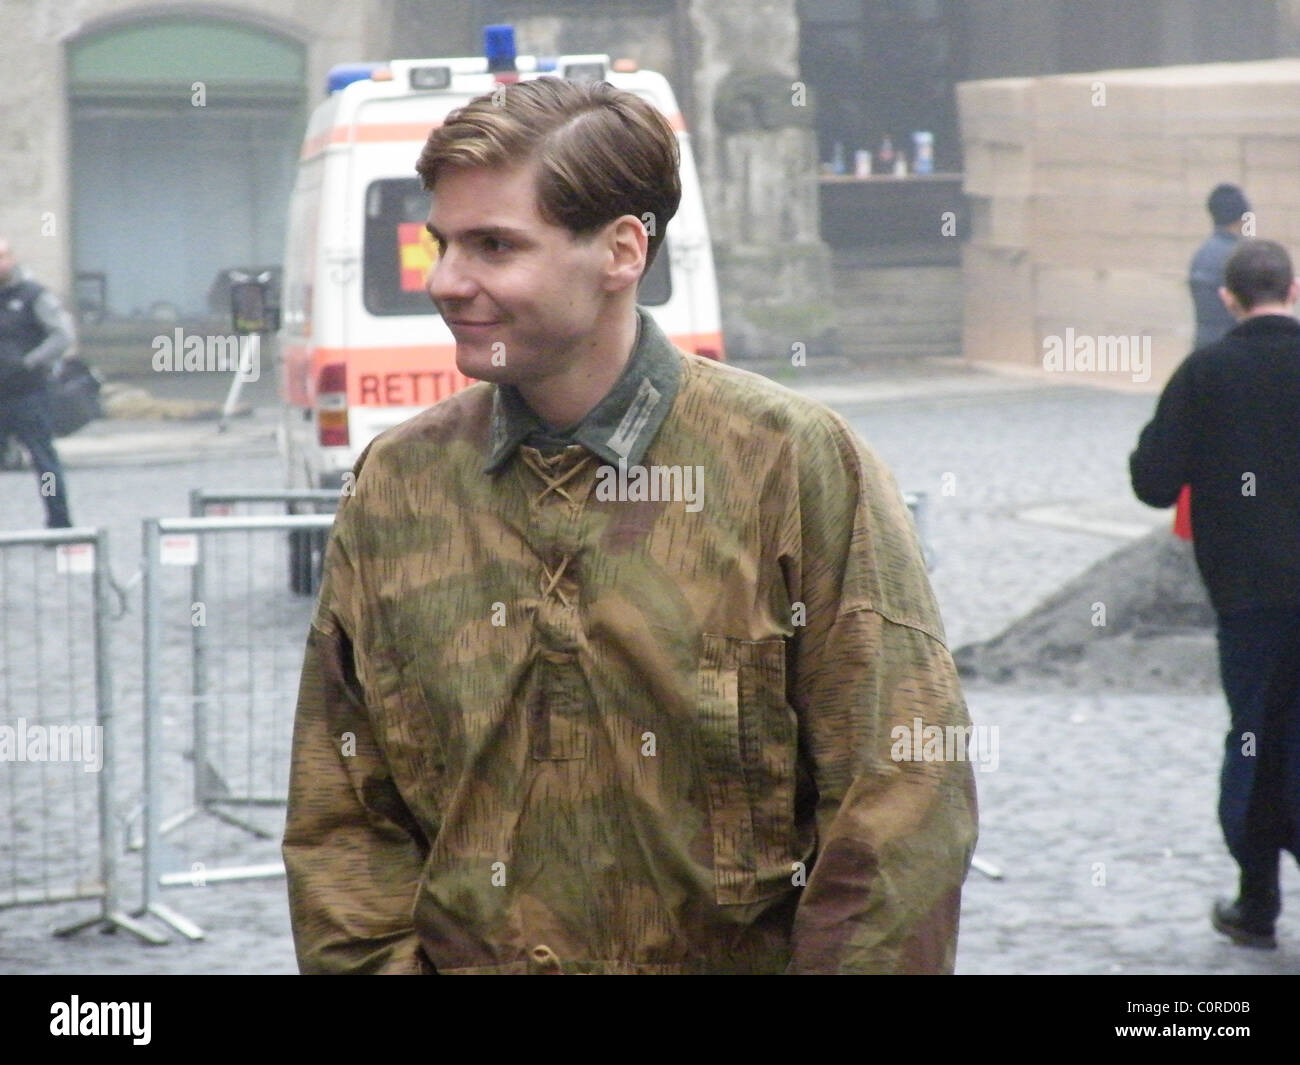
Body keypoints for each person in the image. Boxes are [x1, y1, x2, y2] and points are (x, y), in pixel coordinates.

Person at [282, 77, 978, 975]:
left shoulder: (792, 465)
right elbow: (343, 809)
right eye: (441, 244)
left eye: (494, 245)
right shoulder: (398, 484)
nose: (447, 282)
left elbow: (899, 803)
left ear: (620, 252)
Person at [1130, 238, 1300, 950]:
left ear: (1229, 297)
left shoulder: (1206, 372)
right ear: (1292, 292)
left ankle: (1257, 901)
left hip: (1248, 595)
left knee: (1257, 733)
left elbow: (1155, 481)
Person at [0, 237, 75, 528]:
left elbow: (61, 336)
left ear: (12, 259)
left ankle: (59, 521)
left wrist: (30, 362)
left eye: (3, 256)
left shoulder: (33, 295)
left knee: (44, 464)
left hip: (27, 393)